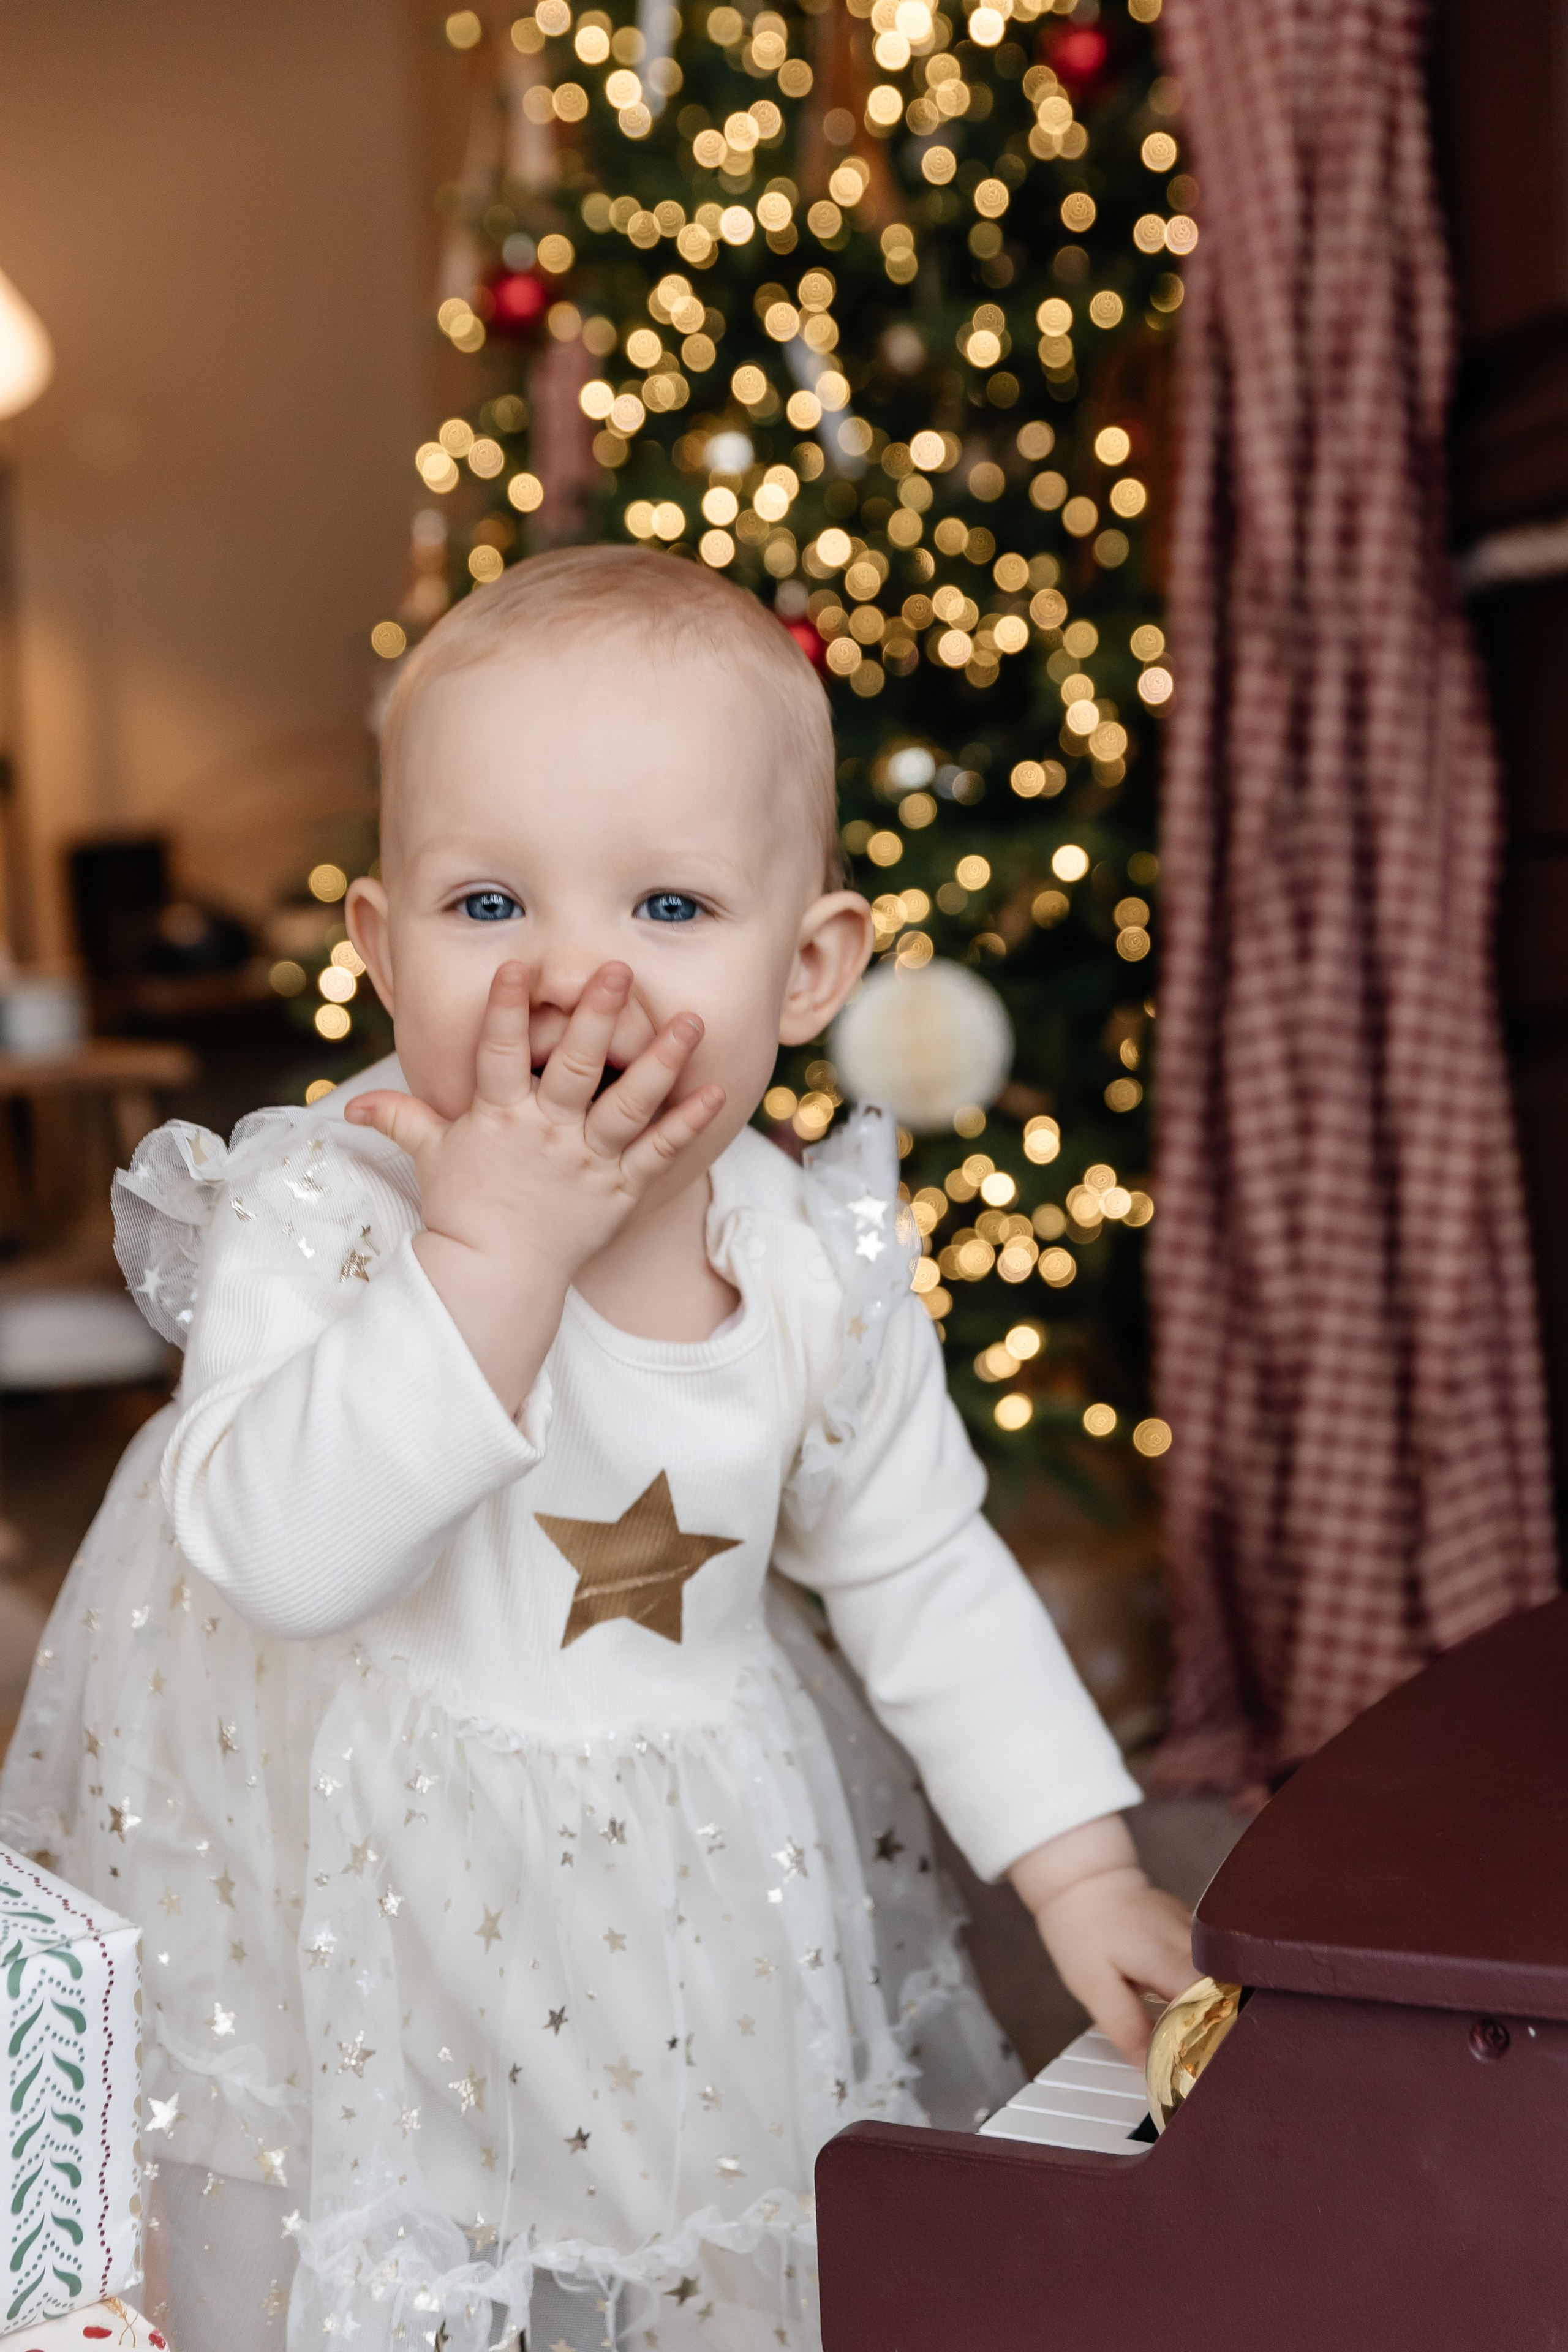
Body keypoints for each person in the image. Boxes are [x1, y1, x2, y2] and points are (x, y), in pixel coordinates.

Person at [1, 547, 1190, 2352]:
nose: (573, 976)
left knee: (706, 2245)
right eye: (489, 908)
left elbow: (920, 1567)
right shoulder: (321, 1217)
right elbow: (275, 1550)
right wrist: (491, 1256)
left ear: (807, 970)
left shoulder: (802, 1259)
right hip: (365, 1906)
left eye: (666, 906)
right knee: (379, 2264)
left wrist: (1081, 1865)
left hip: (692, 1882)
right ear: (382, 951)